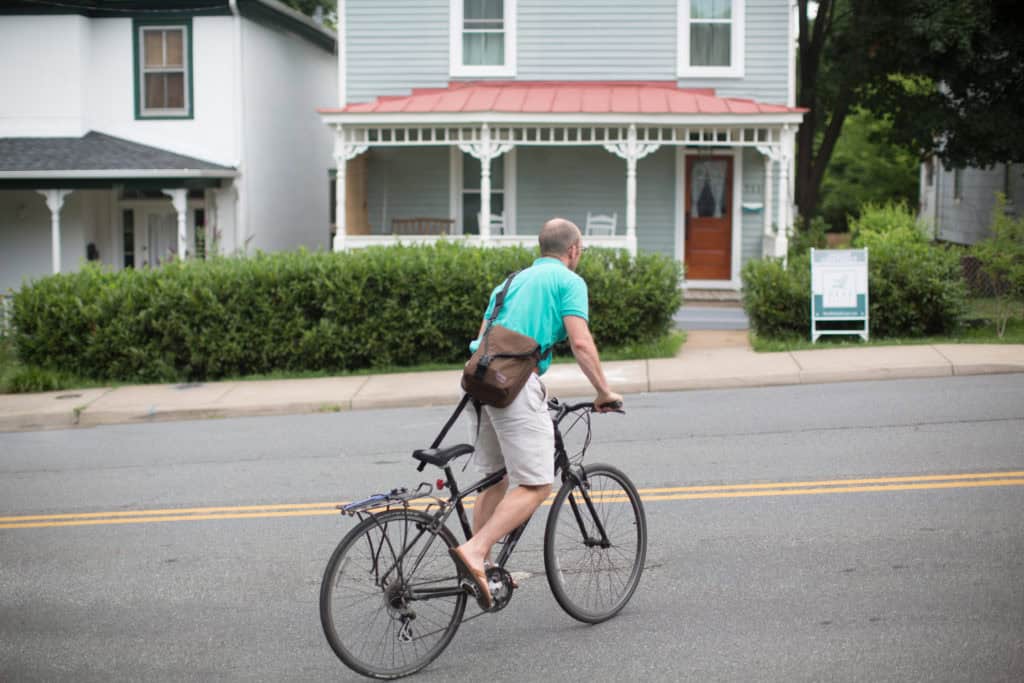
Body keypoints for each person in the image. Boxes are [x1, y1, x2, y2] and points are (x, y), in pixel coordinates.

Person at [449, 217, 623, 609]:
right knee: (537, 484)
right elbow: (580, 342)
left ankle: (484, 571)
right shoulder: (568, 281)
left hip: (479, 384)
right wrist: (603, 392)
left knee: (497, 480)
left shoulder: (508, 283)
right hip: (514, 387)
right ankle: (476, 552)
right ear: (573, 250)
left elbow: (485, 341)